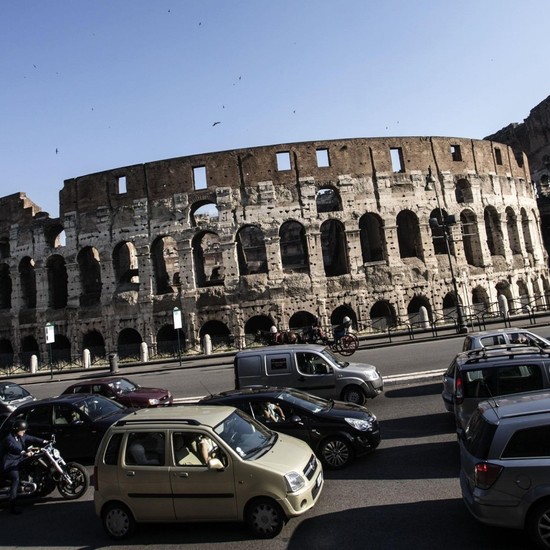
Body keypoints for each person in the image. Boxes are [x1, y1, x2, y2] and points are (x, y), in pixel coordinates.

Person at [1, 419, 48, 514]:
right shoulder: (9, 439)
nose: (24, 431)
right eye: (22, 430)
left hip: (19, 460)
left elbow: (32, 438)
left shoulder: (21, 436)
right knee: (16, 479)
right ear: (16, 429)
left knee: (33, 463)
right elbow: (13, 448)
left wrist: (45, 441)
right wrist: (24, 452)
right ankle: (12, 506)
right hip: (10, 463)